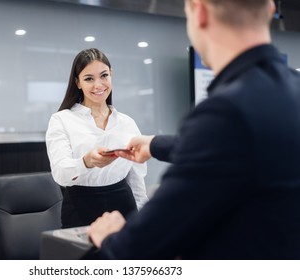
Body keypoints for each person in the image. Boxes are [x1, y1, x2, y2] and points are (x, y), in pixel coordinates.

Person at [87, 0, 300, 259]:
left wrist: (110, 236)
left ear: (199, 12)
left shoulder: (227, 111)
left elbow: (140, 248)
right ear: (268, 10)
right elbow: (247, 148)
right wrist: (154, 144)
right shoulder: (290, 90)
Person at [45, 48, 148, 228]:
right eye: (89, 79)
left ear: (111, 75)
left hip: (124, 205)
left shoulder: (127, 122)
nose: (98, 85)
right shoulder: (61, 120)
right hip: (80, 207)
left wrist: (143, 215)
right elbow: (60, 174)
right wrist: (86, 162)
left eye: (104, 76)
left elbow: (137, 177)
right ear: (78, 82)